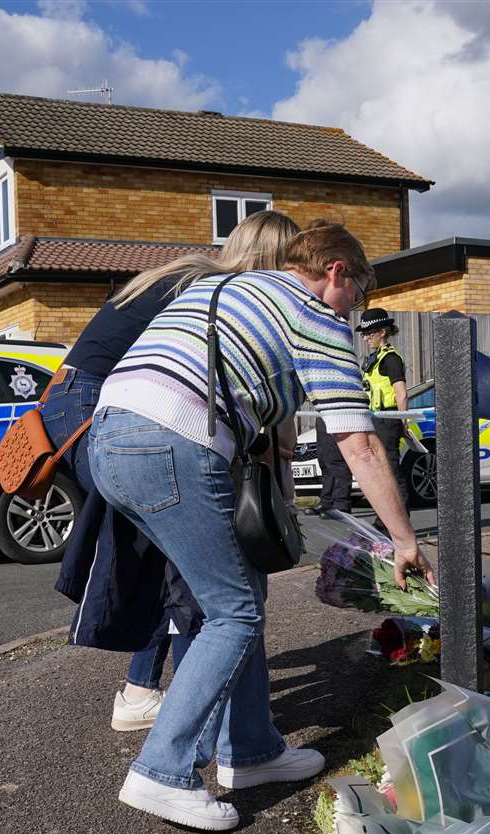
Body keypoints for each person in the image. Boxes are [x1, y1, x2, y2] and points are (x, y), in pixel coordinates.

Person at [88, 220, 436, 832]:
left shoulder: (221, 290)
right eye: (358, 291)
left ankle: (248, 750)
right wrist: (403, 540)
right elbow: (358, 441)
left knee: (235, 590)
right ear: (335, 271)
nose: (357, 309)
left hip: (110, 437)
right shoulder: (314, 315)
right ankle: (161, 771)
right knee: (234, 611)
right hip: (172, 442)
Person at [42, 211, 301, 732]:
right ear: (270, 261)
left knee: (167, 550)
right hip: (103, 408)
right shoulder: (218, 292)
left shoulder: (182, 272)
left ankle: (142, 693)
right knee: (190, 556)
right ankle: (196, 711)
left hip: (72, 404)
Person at [356, 308, 411, 506]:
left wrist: (402, 422)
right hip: (375, 418)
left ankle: (401, 521)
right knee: (379, 471)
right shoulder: (375, 358)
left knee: (391, 470)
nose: (365, 339)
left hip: (388, 419)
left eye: (369, 334)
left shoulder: (391, 359)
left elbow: (402, 393)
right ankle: (385, 521)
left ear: (383, 332)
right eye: (364, 334)